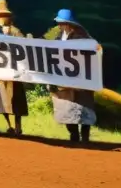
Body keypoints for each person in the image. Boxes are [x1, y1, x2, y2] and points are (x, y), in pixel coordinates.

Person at [50, 9, 98, 144]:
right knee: (67, 107)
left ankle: (85, 137)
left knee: (84, 107)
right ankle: (74, 134)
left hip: (82, 80)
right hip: (65, 79)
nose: (59, 25)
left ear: (68, 23)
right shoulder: (59, 36)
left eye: (61, 22)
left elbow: (93, 52)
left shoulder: (83, 37)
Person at [0, 0, 28, 135]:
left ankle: (18, 126)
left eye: (3, 16)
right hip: (0, 70)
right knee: (2, 101)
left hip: (14, 72)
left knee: (17, 100)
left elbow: (24, 46)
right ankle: (9, 125)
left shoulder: (15, 31)